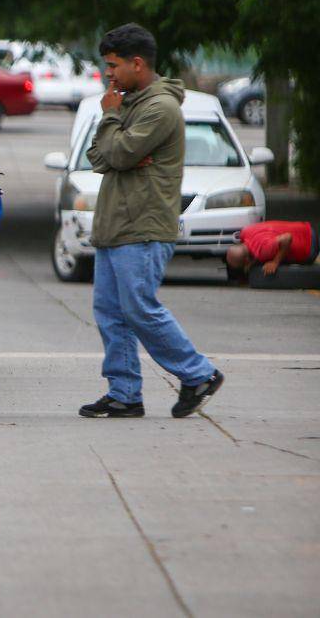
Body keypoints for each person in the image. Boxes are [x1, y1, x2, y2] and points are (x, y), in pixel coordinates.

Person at [82, 23, 223, 419]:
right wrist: (116, 137)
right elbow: (98, 157)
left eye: (113, 65)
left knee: (140, 307)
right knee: (110, 313)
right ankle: (125, 393)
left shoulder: (159, 107)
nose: (108, 74)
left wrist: (112, 126)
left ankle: (198, 373)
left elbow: (121, 155)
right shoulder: (127, 102)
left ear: (137, 63)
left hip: (142, 226)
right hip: (115, 225)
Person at [226, 220, 317, 281]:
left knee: (269, 260)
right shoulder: (244, 232)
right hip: (304, 228)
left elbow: (287, 238)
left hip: (309, 245)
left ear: (246, 260)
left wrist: (275, 262)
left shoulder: (262, 250)